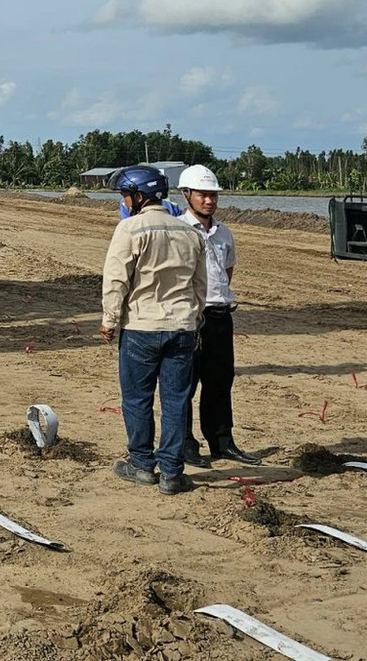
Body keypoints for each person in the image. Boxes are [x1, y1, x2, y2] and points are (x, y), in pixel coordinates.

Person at [99, 164, 208, 495]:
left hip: (141, 328)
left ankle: (142, 465)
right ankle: (172, 474)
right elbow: (200, 286)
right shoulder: (190, 233)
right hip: (182, 328)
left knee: (137, 398)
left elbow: (116, 279)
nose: (124, 202)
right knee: (176, 401)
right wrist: (195, 320)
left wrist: (109, 320)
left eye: (125, 195)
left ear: (138, 196)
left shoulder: (130, 230)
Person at [178, 164, 253, 465]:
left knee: (221, 381)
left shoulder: (224, 233)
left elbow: (228, 270)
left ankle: (222, 442)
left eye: (213, 196)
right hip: (192, 318)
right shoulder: (179, 231)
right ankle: (184, 444)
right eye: (203, 195)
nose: (209, 201)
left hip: (221, 316)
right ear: (187, 195)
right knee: (184, 383)